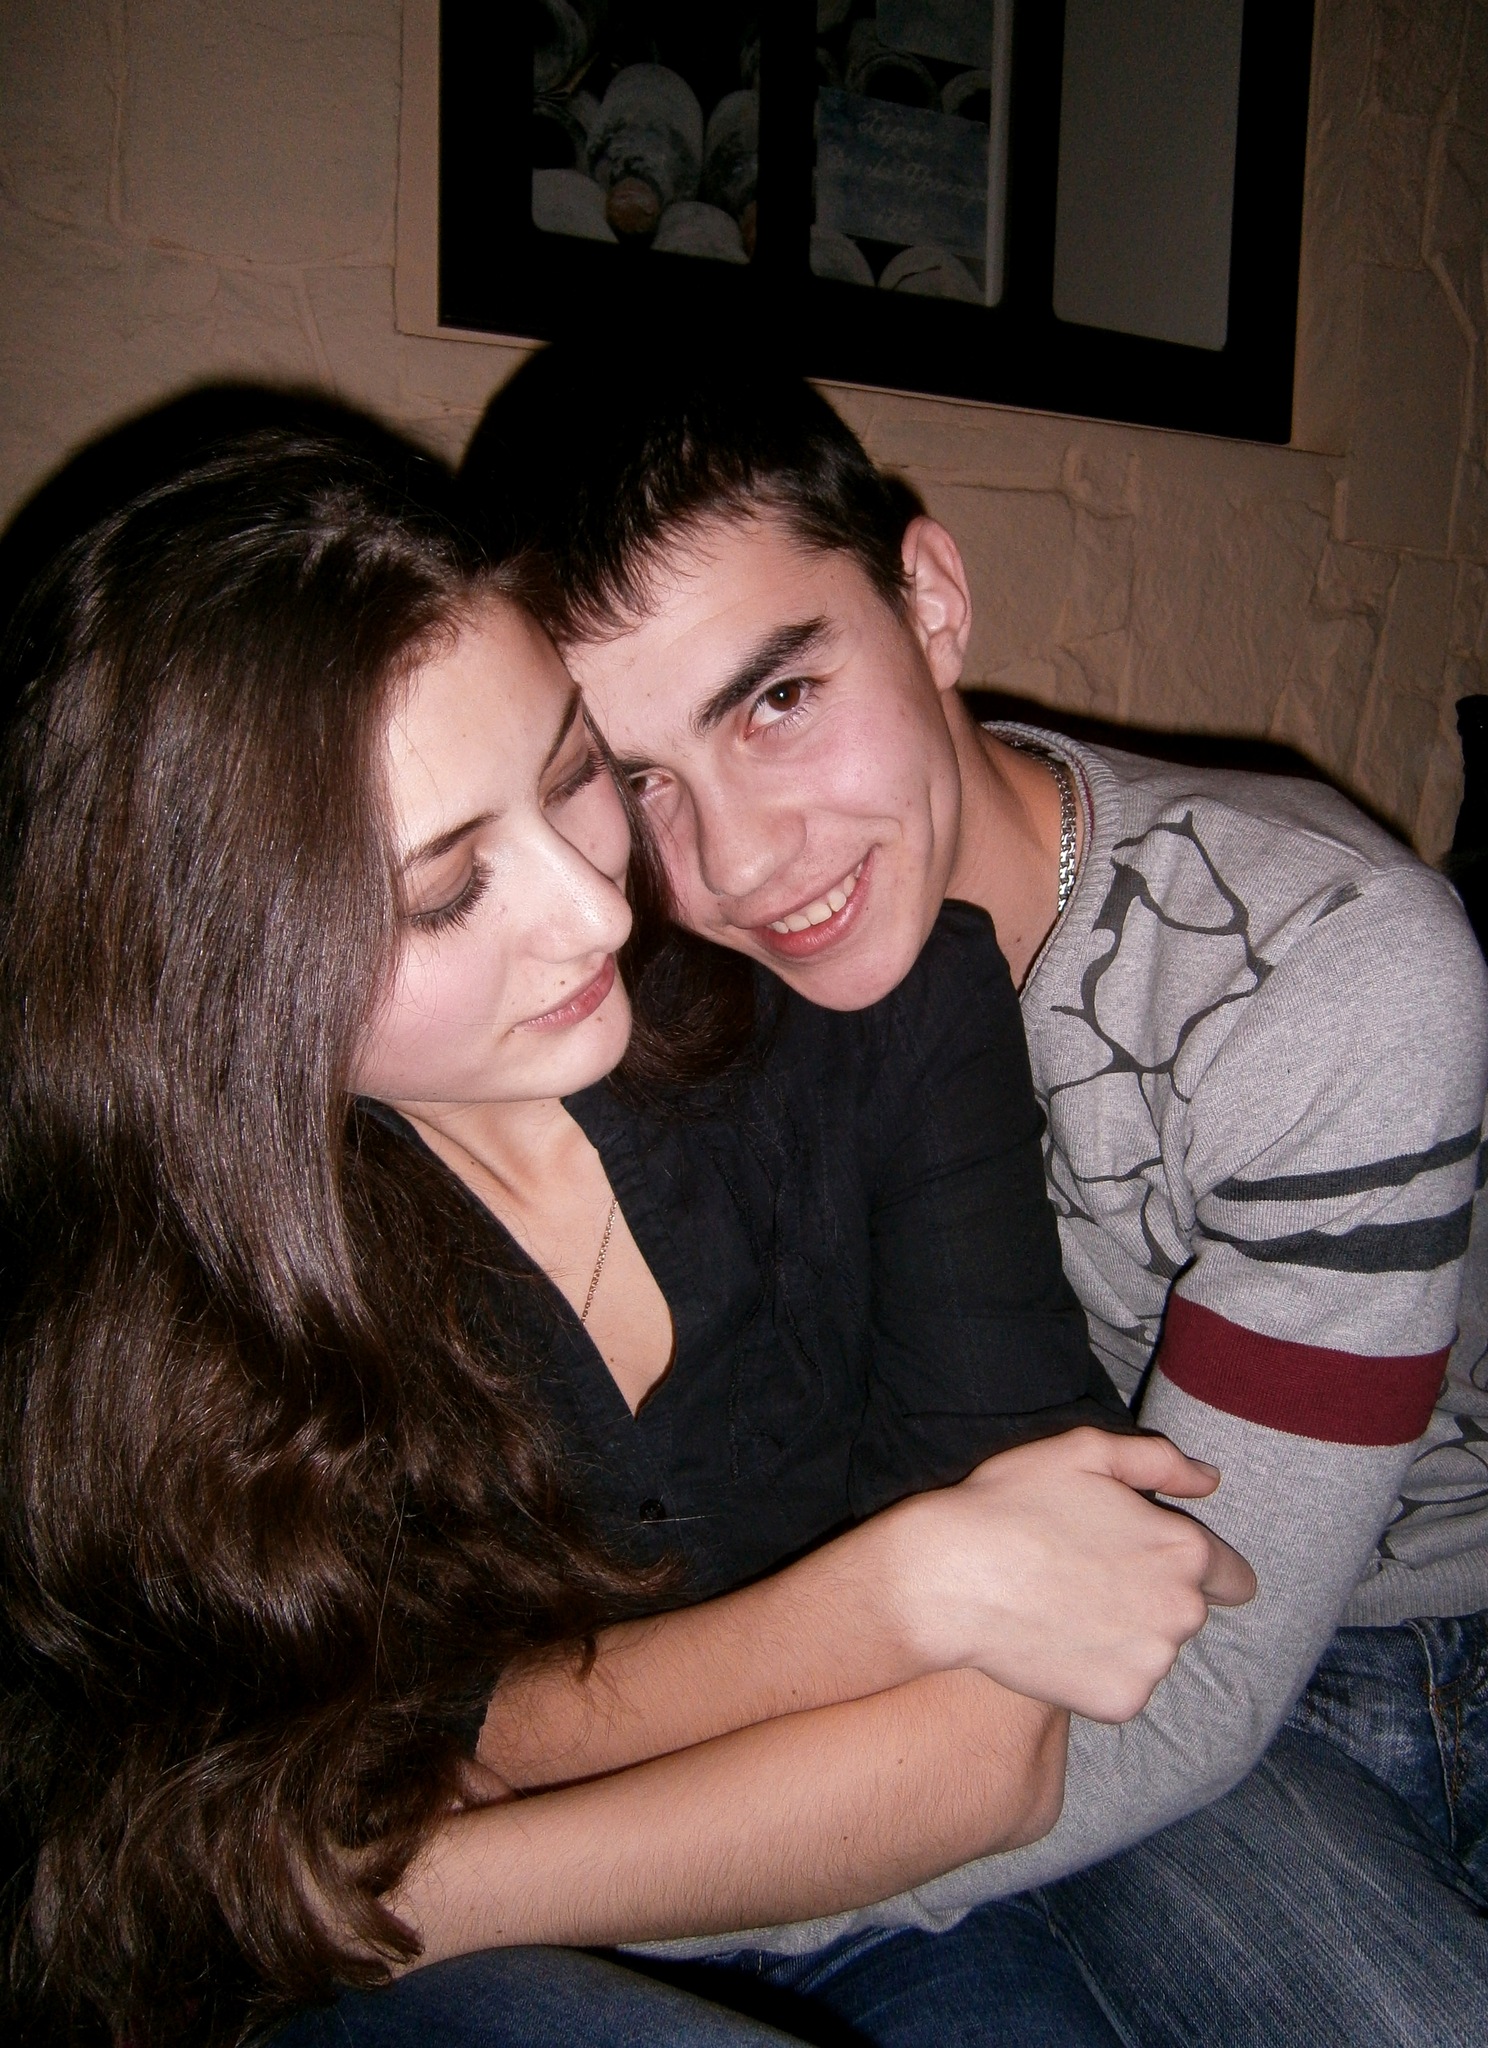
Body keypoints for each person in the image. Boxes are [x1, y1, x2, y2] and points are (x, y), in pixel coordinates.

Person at [0, 427, 1247, 2048]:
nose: (601, 906)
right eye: (447, 889)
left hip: (833, 1916)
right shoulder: (165, 1264)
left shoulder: (873, 1014)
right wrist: (893, 1598)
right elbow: (220, 1794)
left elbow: (989, 1751)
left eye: (574, 775)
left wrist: (406, 1872)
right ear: (220, 982)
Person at [461, 348, 1488, 2045]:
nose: (737, 862)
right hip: (1049, 1615)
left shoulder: (1327, 975)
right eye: (635, 778)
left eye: (778, 699)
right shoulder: (674, 967)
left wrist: (460, 1876)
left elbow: (1179, 1683)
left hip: (1419, 1643)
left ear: (933, 604)